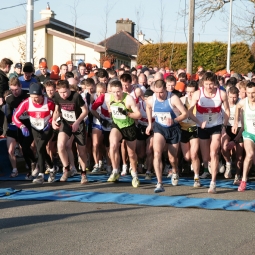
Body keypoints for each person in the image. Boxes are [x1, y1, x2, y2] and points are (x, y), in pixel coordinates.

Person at [188, 72, 230, 194]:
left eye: (211, 84)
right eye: (206, 84)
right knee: (206, 157)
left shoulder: (221, 94)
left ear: (215, 83)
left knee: (214, 152)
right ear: (203, 83)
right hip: (202, 126)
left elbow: (227, 110)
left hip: (216, 126)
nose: (209, 87)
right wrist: (199, 123)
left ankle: (213, 183)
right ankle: (199, 175)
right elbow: (190, 112)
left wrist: (224, 125)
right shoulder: (198, 94)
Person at [146, 79, 188, 193]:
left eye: (161, 92)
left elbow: (185, 114)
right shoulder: (151, 99)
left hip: (173, 129)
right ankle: (159, 183)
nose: (159, 95)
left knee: (172, 158)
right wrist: (150, 124)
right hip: (160, 127)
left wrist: (174, 120)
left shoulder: (173, 98)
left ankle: (175, 170)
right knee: (157, 152)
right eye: (156, 92)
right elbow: (148, 107)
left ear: (166, 90)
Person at [13, 82, 56, 184]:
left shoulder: (49, 102)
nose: (35, 100)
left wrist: (50, 122)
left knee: (40, 148)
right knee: (41, 150)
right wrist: (22, 126)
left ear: (42, 95)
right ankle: (52, 168)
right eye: (32, 97)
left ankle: (41, 174)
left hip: (47, 128)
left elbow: (56, 113)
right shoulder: (27, 103)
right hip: (35, 128)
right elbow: (15, 117)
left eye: (37, 97)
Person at [105, 80, 142, 187]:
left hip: (129, 127)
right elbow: (110, 110)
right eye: (113, 92)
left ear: (122, 90)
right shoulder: (108, 98)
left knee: (131, 154)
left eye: (118, 91)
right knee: (113, 145)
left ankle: (134, 175)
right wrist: (112, 118)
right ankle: (115, 171)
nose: (116, 94)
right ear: (110, 92)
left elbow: (138, 115)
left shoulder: (128, 99)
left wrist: (127, 113)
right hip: (117, 125)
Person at [52, 80, 89, 184]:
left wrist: (77, 122)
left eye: (65, 92)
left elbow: (85, 111)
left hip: (78, 124)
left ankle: (83, 173)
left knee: (81, 150)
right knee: (60, 145)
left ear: (69, 89)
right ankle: (66, 169)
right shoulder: (57, 96)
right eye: (61, 92)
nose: (63, 95)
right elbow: (57, 111)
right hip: (66, 123)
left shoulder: (76, 96)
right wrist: (53, 121)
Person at [232, 82, 255, 191]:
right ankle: (244, 180)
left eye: (254, 93)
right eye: (249, 93)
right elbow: (237, 107)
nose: (251, 96)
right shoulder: (244, 102)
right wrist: (236, 122)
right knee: (249, 154)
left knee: (252, 159)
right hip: (249, 133)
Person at [179, 81, 201, 187]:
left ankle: (196, 177)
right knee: (187, 157)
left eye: (192, 92)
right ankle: (193, 163)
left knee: (193, 154)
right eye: (188, 92)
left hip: (194, 129)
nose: (190, 94)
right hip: (183, 129)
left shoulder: (199, 101)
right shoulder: (182, 100)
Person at [221, 86, 243, 184]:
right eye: (230, 97)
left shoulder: (241, 104)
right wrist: (223, 128)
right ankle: (228, 163)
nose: (232, 99)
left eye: (234, 97)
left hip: (239, 128)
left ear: (238, 96)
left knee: (239, 155)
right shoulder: (223, 104)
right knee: (224, 147)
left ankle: (237, 175)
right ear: (227, 95)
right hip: (227, 127)